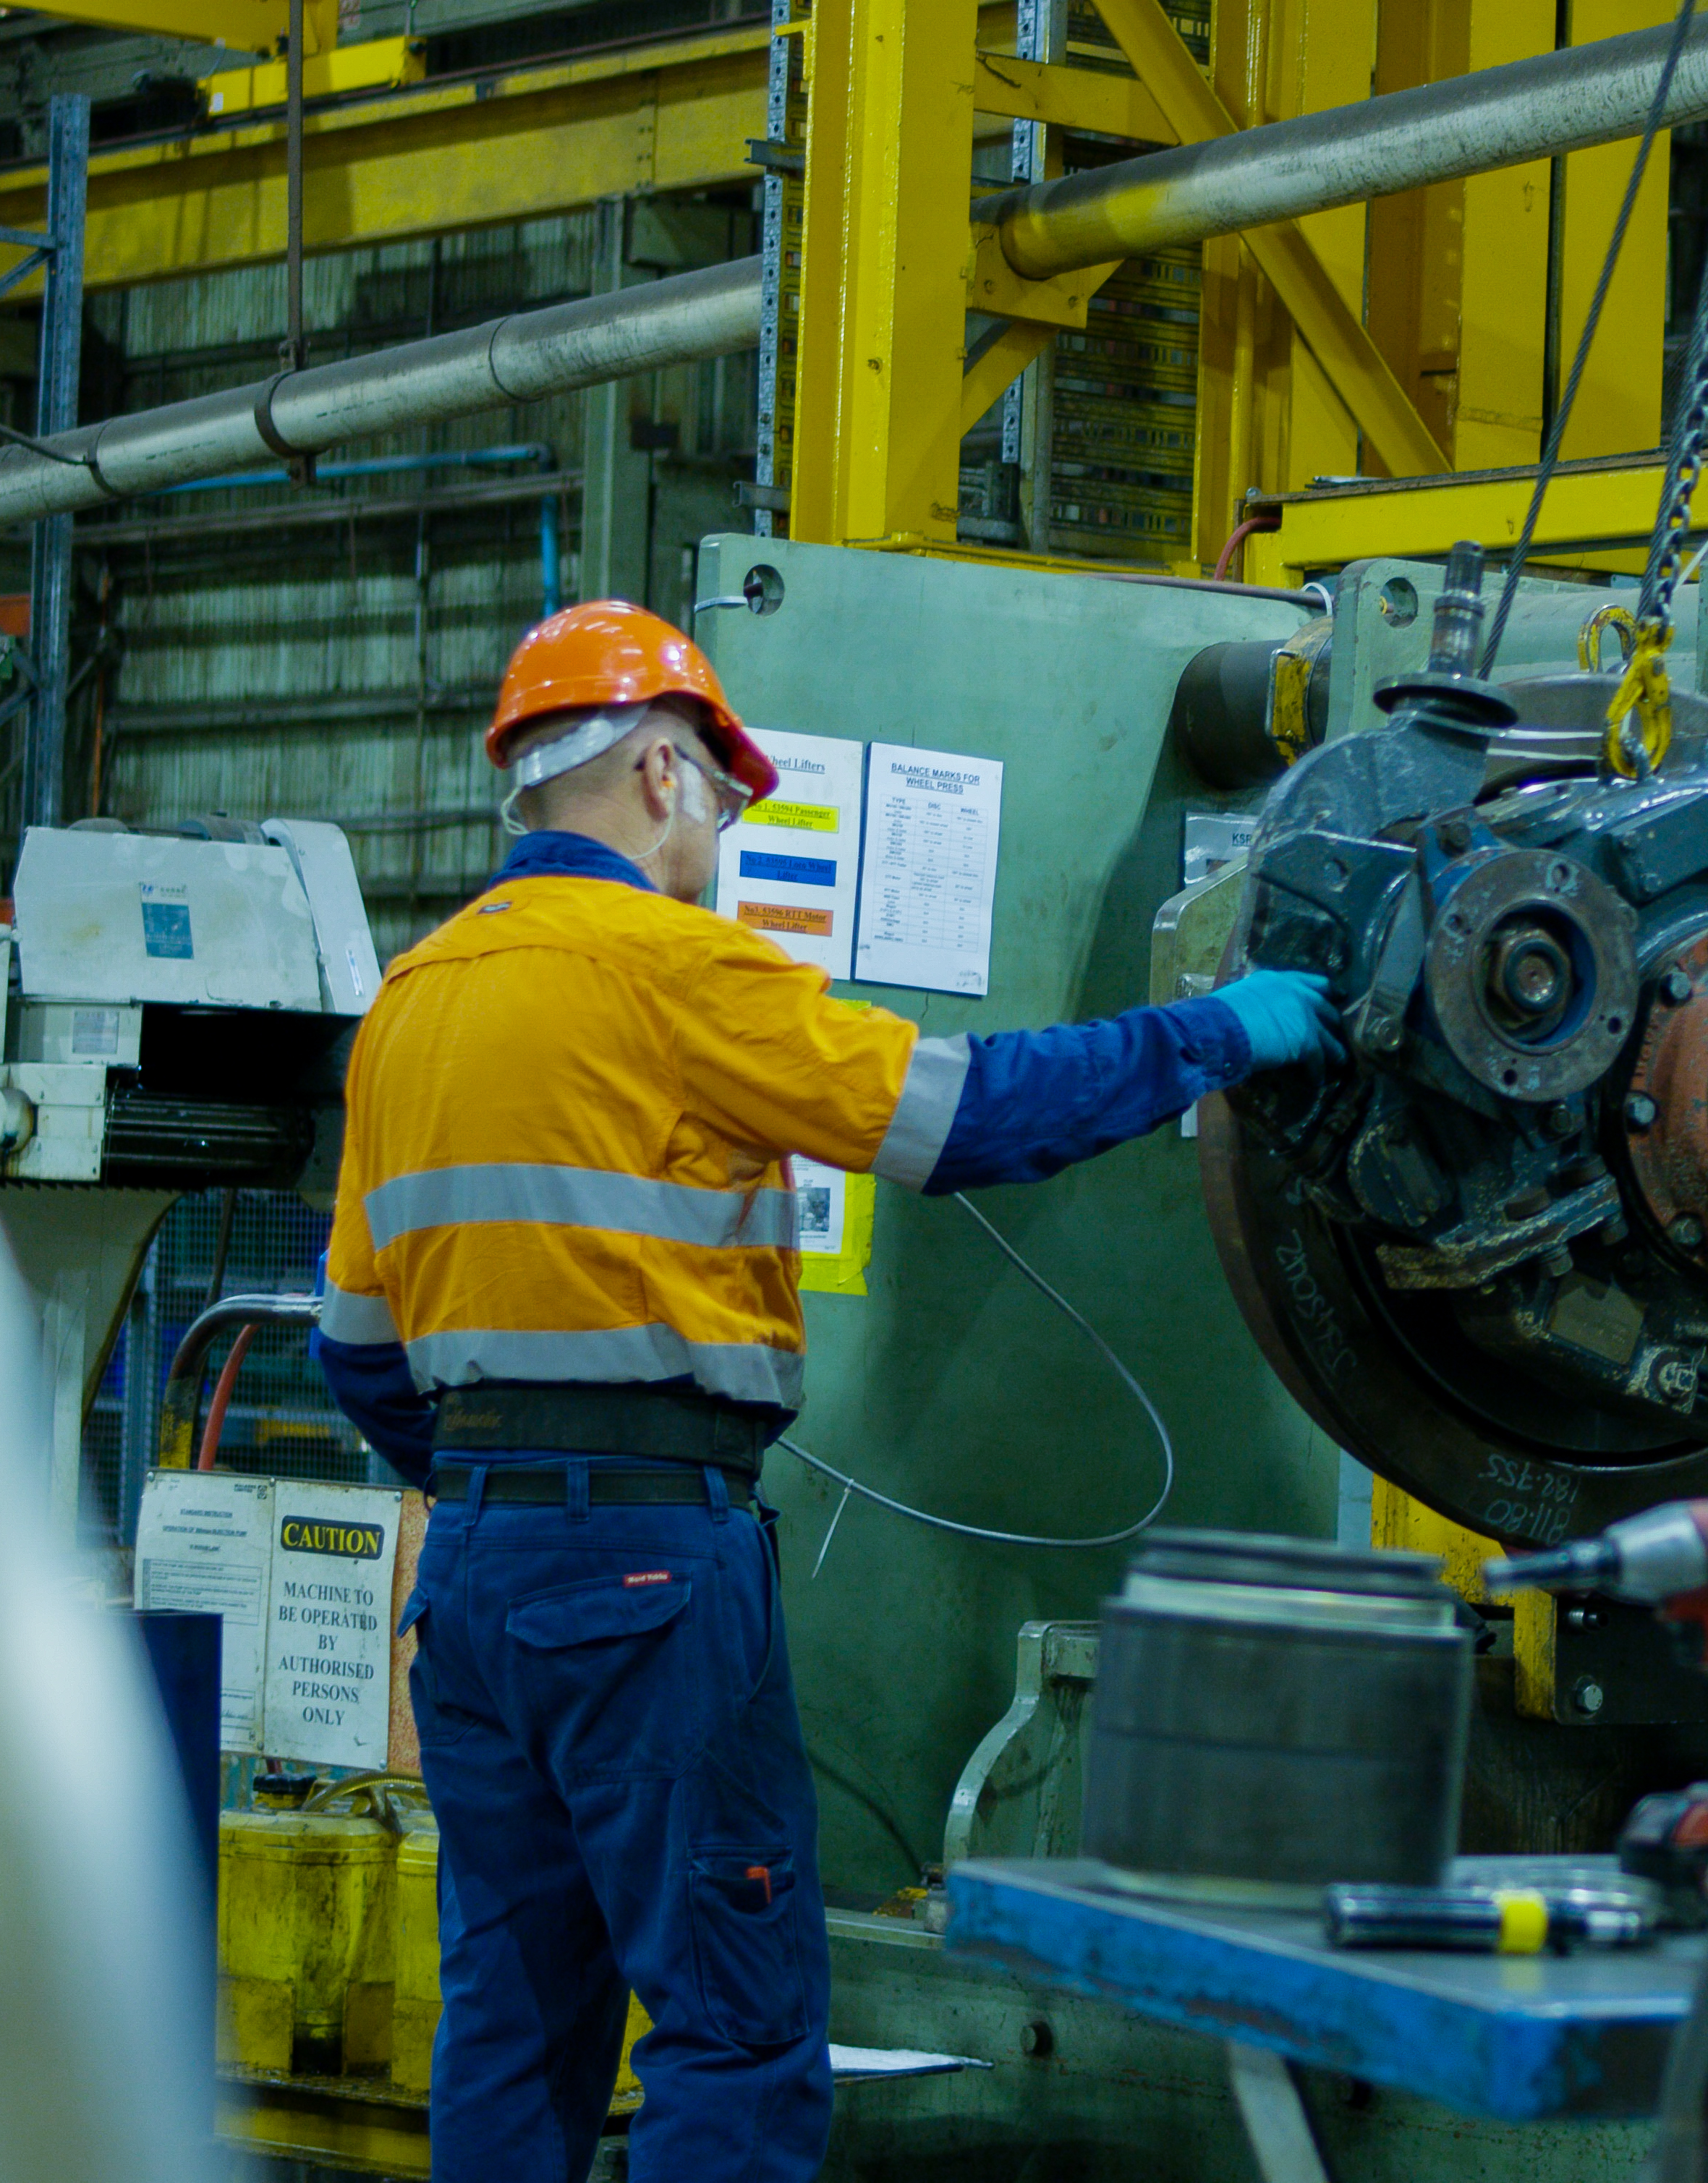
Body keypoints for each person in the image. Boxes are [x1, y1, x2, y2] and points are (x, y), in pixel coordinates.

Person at [307, 600, 1343, 2183]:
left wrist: (511, 1494)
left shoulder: (412, 1004)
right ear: (662, 772)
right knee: (733, 2025)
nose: (719, 843)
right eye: (723, 805)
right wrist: (1217, 1032)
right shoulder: (674, 969)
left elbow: (356, 1355)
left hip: (476, 1583)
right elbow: (972, 1117)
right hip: (652, 1568)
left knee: (514, 2029)